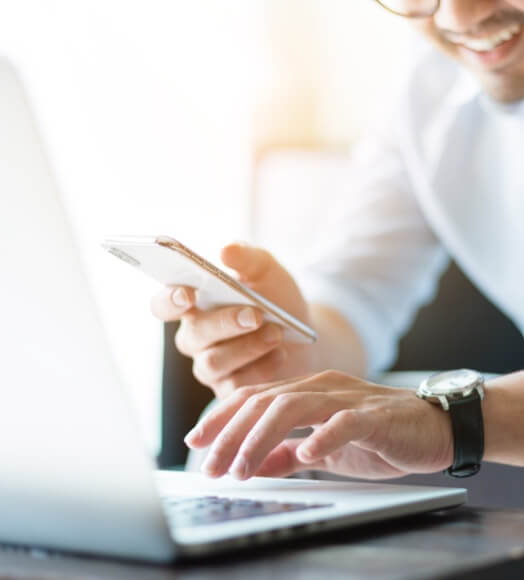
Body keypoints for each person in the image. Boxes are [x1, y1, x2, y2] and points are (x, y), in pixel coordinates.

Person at [151, 0, 524, 482]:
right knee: (257, 437)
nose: (454, 17)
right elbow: (357, 291)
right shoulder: (432, 86)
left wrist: (456, 419)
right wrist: (288, 347)